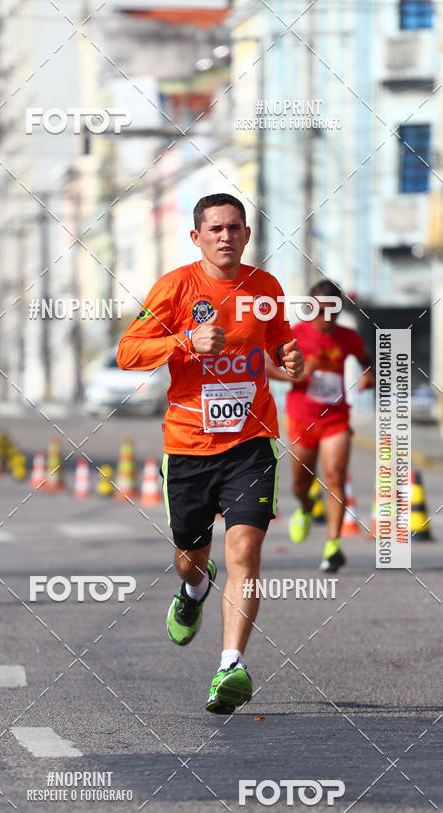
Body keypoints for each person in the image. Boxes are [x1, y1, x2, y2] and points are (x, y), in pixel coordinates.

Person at [116, 193, 303, 714]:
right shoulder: (176, 287)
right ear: (196, 237)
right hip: (189, 448)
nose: (226, 236)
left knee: (245, 551)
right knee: (189, 559)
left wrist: (290, 359)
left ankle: (230, 666)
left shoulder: (266, 288)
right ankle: (194, 590)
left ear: (247, 235)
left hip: (251, 444)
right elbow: (128, 352)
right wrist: (185, 342)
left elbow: (281, 349)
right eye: (215, 229)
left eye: (234, 227)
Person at [266, 280, 374, 572]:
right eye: (318, 310)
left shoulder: (347, 337)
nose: (325, 317)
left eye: (332, 311)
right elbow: (266, 366)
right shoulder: (295, 335)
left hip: (336, 419)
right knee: (301, 483)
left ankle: (333, 546)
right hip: (302, 418)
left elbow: (366, 359)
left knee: (335, 476)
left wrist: (369, 375)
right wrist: (294, 376)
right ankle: (305, 505)